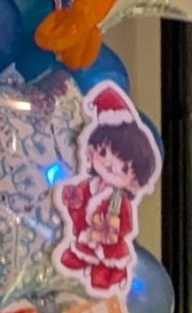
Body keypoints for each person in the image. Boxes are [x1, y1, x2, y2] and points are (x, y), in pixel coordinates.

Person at [57, 85, 160, 294]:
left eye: (124, 168)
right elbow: (78, 201)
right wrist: (72, 199)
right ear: (92, 150)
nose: (109, 165)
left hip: (108, 244)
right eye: (103, 153)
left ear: (133, 180)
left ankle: (112, 273)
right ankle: (82, 257)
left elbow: (126, 225)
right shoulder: (89, 185)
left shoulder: (119, 201)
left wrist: (109, 230)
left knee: (102, 277)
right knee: (70, 257)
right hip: (85, 236)